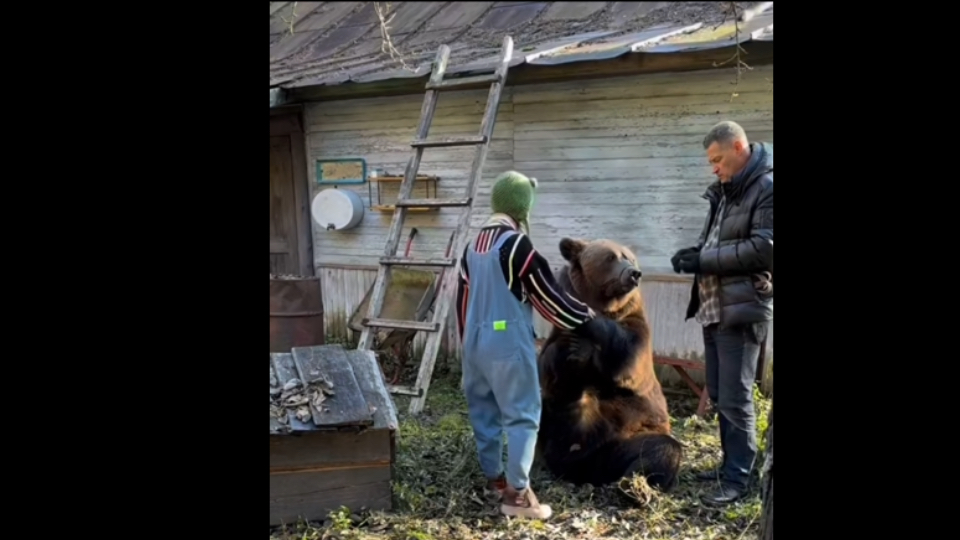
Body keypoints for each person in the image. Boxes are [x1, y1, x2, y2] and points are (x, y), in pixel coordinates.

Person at [456, 170, 595, 520]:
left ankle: (495, 479)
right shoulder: (516, 244)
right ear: (521, 207)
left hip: (473, 343)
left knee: (484, 413)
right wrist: (584, 316)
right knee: (522, 416)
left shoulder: (471, 247)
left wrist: (468, 341)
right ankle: (517, 496)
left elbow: (462, 302)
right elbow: (548, 296)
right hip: (507, 342)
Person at [671, 121, 773, 506]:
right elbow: (719, 241)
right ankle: (728, 465)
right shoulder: (728, 191)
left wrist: (705, 259)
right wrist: (693, 256)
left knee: (736, 396)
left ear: (738, 147)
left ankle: (738, 480)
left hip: (741, 309)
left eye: (717, 159)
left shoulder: (766, 187)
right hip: (715, 307)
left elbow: (765, 248)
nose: (713, 168)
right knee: (718, 391)